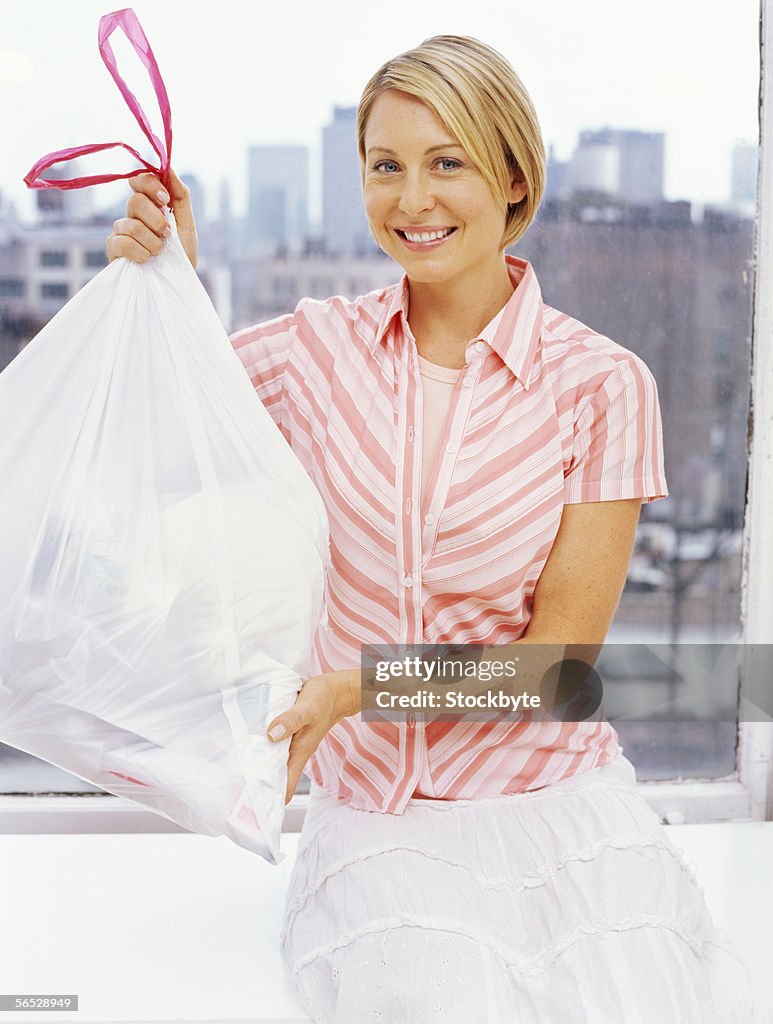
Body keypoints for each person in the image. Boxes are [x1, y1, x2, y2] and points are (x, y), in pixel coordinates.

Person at [107, 34, 754, 1024]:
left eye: (445, 162)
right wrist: (166, 284)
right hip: (381, 822)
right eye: (385, 166)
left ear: (510, 177)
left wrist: (357, 686)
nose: (411, 200)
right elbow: (161, 417)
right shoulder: (313, 352)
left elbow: (553, 670)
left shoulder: (601, 384)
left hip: (555, 806)